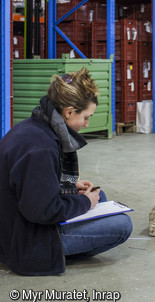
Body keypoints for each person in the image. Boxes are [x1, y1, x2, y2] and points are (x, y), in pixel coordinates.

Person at [0, 68, 133, 276]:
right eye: (86, 117)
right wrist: (84, 202)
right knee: (122, 225)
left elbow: (33, 186)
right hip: (24, 240)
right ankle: (54, 252)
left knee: (101, 197)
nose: (87, 124)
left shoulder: (35, 126)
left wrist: (68, 187)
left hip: (16, 220)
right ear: (69, 112)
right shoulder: (41, 148)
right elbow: (42, 211)